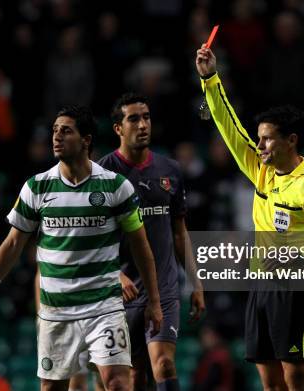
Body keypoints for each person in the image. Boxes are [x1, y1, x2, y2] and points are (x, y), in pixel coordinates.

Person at [0, 105, 163, 391]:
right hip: (56, 312)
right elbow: (12, 245)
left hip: (104, 308)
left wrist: (154, 302)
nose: (56, 137)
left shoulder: (115, 187)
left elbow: (141, 246)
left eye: (66, 131)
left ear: (86, 140)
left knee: (119, 382)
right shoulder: (37, 188)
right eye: (55, 131)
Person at [195, 45, 304, 390]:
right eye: (260, 139)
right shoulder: (261, 171)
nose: (260, 146)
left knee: (297, 376)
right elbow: (228, 125)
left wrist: (303, 255)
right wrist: (210, 78)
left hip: (297, 287)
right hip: (261, 284)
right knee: (269, 379)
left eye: (268, 139)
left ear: (291, 141)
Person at [98, 93, 206, 391]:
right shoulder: (103, 174)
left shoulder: (170, 170)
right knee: (132, 377)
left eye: (146, 117)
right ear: (118, 128)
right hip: (121, 291)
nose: (143, 124)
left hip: (164, 288)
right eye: (134, 118)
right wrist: (114, 274)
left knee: (164, 364)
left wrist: (196, 283)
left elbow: (179, 231)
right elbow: (92, 239)